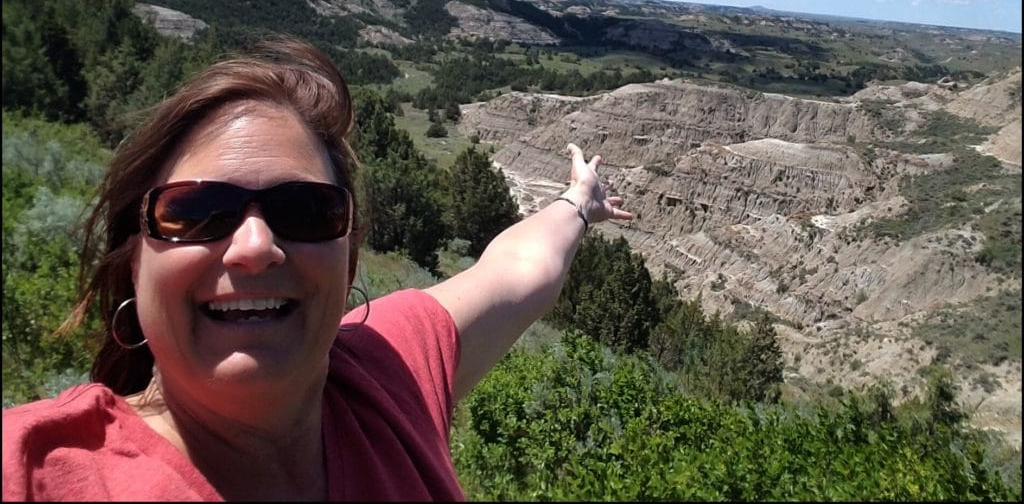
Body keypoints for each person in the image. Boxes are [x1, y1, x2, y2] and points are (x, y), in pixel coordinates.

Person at [2, 37, 632, 501]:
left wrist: (579, 200)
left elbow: (522, 269)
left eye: (305, 211)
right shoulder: (38, 470)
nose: (254, 247)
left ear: (349, 253)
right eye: (194, 211)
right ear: (133, 254)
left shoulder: (389, 369)